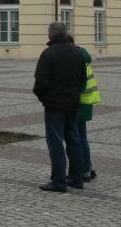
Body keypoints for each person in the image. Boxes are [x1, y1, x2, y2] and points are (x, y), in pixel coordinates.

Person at [33, 21, 87, 192]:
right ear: (65, 34)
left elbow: (40, 83)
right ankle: (77, 178)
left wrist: (44, 99)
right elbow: (83, 79)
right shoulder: (77, 53)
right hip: (73, 104)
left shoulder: (48, 54)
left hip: (55, 106)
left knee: (55, 143)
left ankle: (58, 181)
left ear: (50, 36)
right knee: (74, 141)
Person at [70, 35, 101, 183]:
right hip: (86, 103)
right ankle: (88, 167)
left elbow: (79, 85)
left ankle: (84, 170)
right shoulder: (84, 57)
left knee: (78, 138)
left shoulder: (78, 60)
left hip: (79, 103)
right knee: (82, 137)